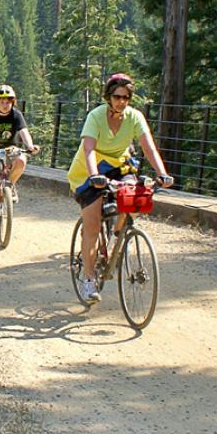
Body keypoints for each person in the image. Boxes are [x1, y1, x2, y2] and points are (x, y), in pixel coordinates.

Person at [67, 73, 173, 303]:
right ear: (109, 96)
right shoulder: (95, 116)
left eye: (126, 97)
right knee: (92, 226)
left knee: (136, 197)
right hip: (88, 171)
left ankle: (118, 232)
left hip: (119, 167)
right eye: (117, 96)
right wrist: (94, 175)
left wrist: (162, 172)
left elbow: (149, 148)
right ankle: (88, 279)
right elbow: (89, 150)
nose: (121, 101)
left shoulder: (135, 117)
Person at [0, 84, 39, 227]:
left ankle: (10, 185)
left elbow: (24, 132)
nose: (5, 105)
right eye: (1, 101)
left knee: (21, 160)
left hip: (10, 150)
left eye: (8, 101)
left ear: (12, 102)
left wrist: (30, 146)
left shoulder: (16, 115)